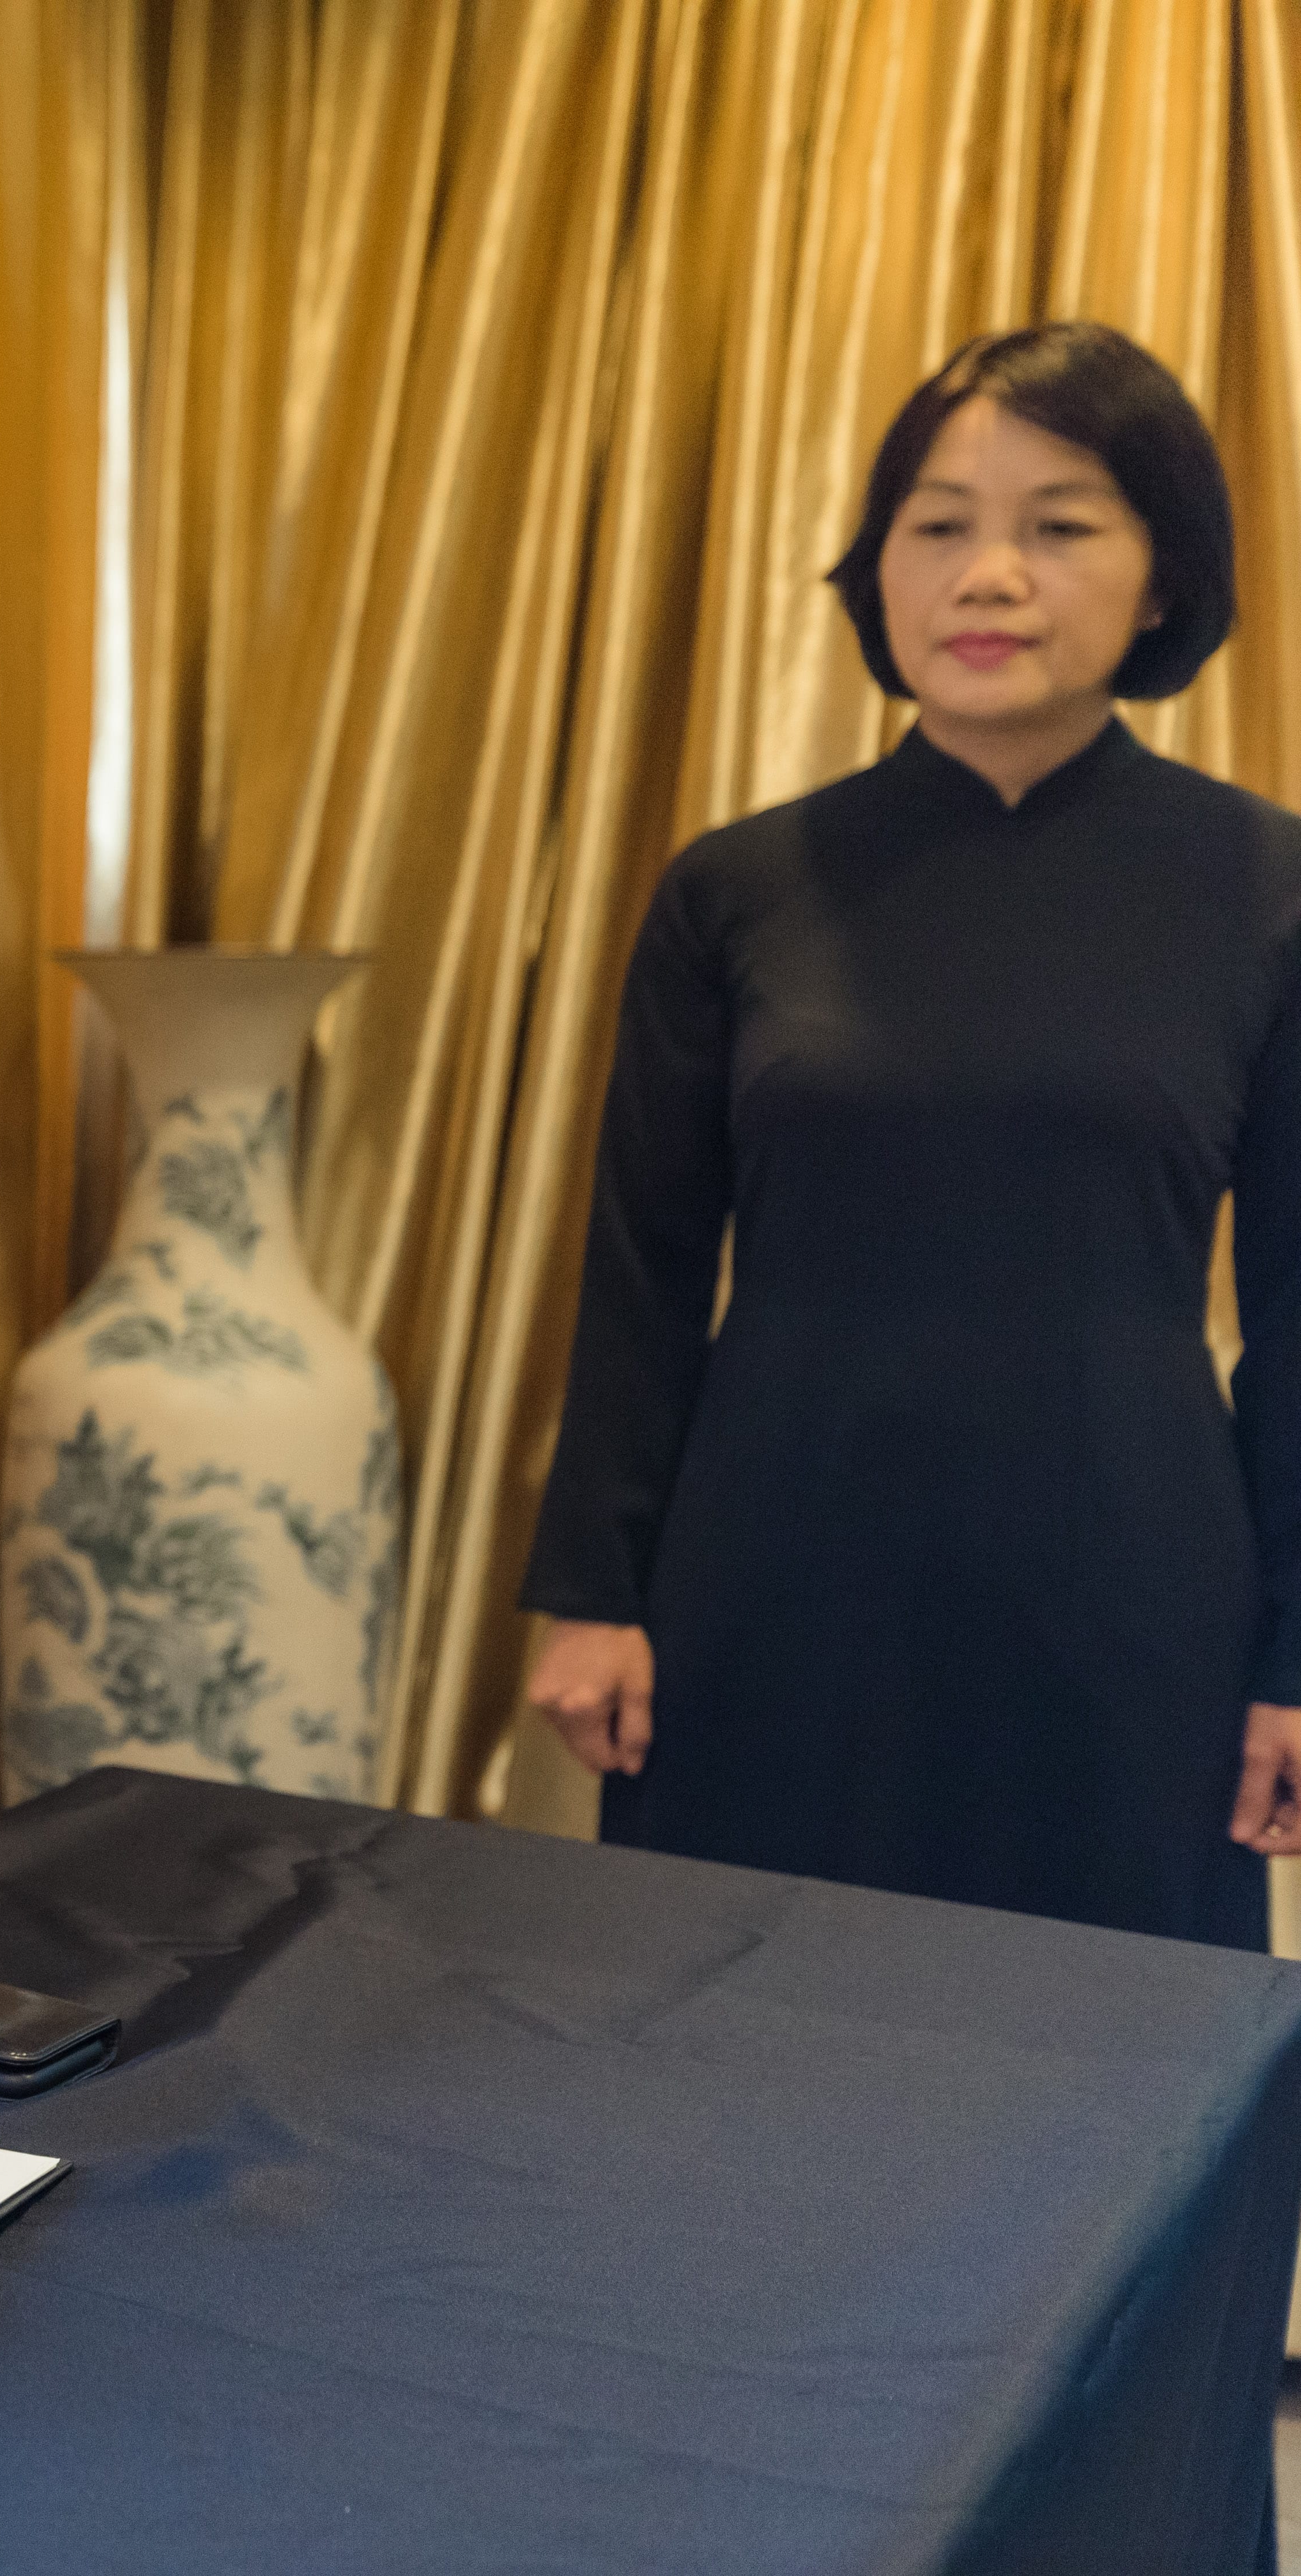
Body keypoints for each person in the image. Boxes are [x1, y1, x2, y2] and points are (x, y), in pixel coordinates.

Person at [523, 319, 1301, 1947]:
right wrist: (591, 1588)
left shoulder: (1264, 893)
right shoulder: (737, 890)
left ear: (1163, 576)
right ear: (878, 571)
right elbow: (642, 1270)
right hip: (776, 1583)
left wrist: (1296, 1660)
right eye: (937, 524)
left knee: (1106, 2106)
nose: (989, 574)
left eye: (1059, 523)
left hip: (1131, 1599)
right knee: (742, 2070)